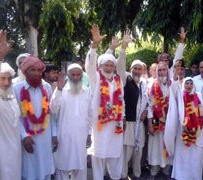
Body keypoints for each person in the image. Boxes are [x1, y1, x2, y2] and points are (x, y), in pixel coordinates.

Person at [85, 25, 129, 180]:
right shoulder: (95, 78)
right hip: (100, 123)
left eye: (111, 65)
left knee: (115, 152)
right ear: (101, 66)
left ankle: (116, 177)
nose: (109, 67)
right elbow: (90, 66)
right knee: (99, 153)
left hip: (115, 122)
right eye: (106, 65)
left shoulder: (118, 80)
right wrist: (94, 45)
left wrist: (122, 117)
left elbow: (121, 101)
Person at [13, 55, 58, 180]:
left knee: (45, 170)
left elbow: (50, 114)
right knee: (29, 171)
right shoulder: (16, 89)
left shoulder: (47, 88)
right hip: (29, 138)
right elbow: (15, 116)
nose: (37, 73)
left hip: (45, 137)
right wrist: (24, 136)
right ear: (25, 72)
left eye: (39, 70)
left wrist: (54, 134)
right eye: (33, 70)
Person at [50, 63, 93, 180]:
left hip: (81, 136)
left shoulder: (87, 91)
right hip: (64, 136)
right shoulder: (61, 90)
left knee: (80, 167)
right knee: (62, 166)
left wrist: (89, 134)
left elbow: (90, 114)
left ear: (81, 75)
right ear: (68, 75)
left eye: (78, 74)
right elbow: (53, 109)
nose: (75, 77)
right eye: (72, 75)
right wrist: (58, 89)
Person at [164, 76, 203, 180]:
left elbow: (201, 113)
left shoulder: (198, 96)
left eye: (191, 83)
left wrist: (199, 129)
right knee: (183, 155)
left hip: (197, 131)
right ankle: (181, 176)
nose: (189, 85)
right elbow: (173, 91)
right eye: (187, 83)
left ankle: (194, 177)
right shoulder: (180, 96)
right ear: (183, 85)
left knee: (195, 156)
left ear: (193, 85)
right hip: (182, 131)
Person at [0, 29, 21, 180]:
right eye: (2, 78)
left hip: (15, 151)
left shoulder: (12, 97)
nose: (6, 82)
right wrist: (0, 57)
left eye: (9, 79)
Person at [118, 59, 148, 179]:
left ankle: (137, 174)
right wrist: (123, 48)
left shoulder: (144, 83)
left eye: (139, 68)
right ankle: (123, 174)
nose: (136, 71)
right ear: (131, 70)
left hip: (140, 122)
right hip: (129, 122)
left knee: (139, 150)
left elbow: (148, 100)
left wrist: (146, 111)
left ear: (142, 70)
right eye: (134, 68)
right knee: (127, 150)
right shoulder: (126, 80)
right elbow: (120, 65)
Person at [147, 61, 173, 179]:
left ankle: (166, 169)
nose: (162, 72)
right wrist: (149, 123)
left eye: (164, 70)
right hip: (156, 120)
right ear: (157, 72)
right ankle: (154, 169)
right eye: (160, 70)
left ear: (167, 71)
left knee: (167, 143)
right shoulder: (153, 85)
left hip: (170, 121)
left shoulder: (173, 84)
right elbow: (150, 105)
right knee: (155, 145)